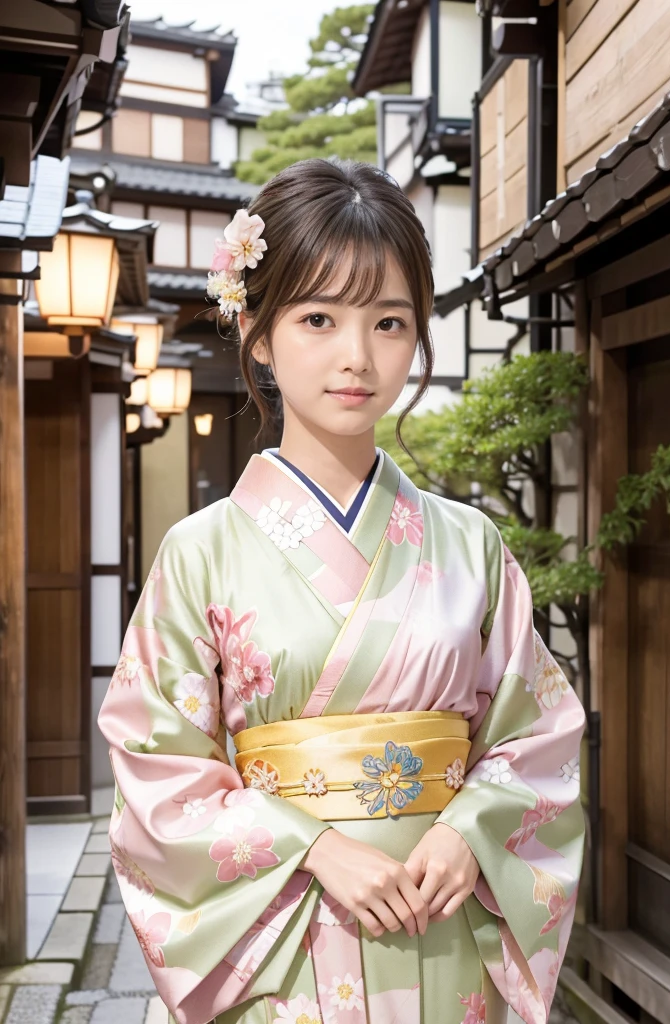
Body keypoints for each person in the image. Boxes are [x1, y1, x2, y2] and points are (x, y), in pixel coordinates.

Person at [98, 158, 585, 1024]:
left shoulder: (469, 544)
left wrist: (467, 831)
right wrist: (313, 846)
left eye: (389, 322)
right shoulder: (198, 554)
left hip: (444, 924)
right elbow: (157, 770)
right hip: (281, 934)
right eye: (318, 318)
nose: (357, 357)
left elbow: (538, 735)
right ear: (256, 330)